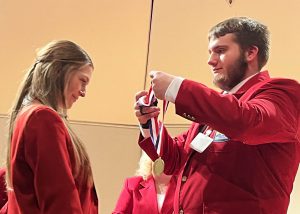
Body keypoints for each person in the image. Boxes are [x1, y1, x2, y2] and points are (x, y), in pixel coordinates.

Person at [134, 17, 300, 214]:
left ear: (250, 52)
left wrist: (177, 88)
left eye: (220, 51)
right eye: (210, 52)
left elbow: (246, 122)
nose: (210, 60)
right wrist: (149, 124)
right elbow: (175, 159)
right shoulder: (216, 110)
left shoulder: (281, 92)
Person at [6, 40, 98, 213]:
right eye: (82, 81)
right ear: (58, 71)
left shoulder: (27, 114)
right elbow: (60, 200)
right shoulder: (43, 118)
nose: (83, 92)